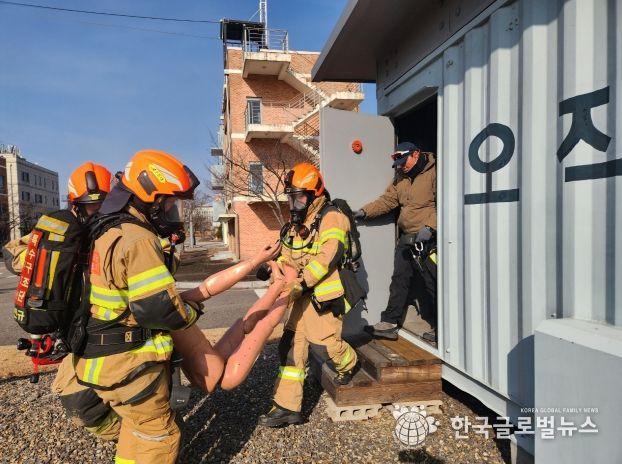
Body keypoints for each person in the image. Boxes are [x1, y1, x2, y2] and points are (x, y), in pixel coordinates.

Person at [258, 162, 359, 428]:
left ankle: (349, 363)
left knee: (325, 345)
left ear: (315, 194)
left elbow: (328, 257)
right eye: (292, 198)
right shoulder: (298, 224)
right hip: (301, 296)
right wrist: (272, 266)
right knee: (290, 347)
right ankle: (287, 406)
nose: (294, 204)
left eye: (300, 197)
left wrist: (302, 283)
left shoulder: (332, 217)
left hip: (322, 296)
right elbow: (288, 255)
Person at [355, 141, 437, 342]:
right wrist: (364, 212)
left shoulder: (435, 172)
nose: (401, 167)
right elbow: (388, 200)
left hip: (429, 239)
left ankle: (443, 327)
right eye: (398, 164)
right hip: (407, 238)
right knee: (399, 280)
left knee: (433, 283)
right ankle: (389, 323)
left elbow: (446, 203)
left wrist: (431, 227)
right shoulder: (401, 176)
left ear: (416, 154)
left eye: (404, 161)